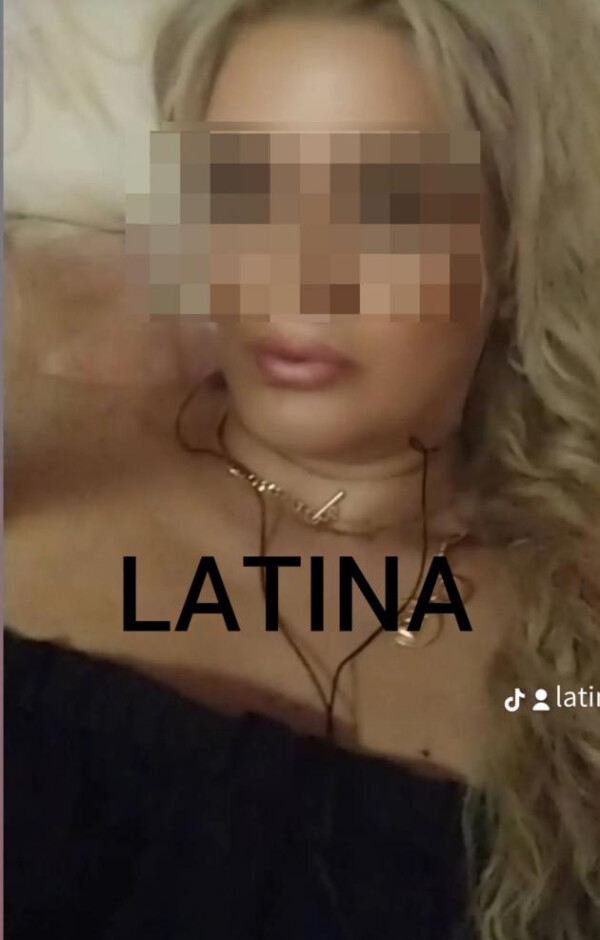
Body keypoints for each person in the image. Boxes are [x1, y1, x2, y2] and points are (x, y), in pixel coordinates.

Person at [5, 1, 600, 938]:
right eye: (243, 192)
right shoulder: (39, 464)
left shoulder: (566, 658)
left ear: (510, 245)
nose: (297, 277)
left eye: (386, 206)